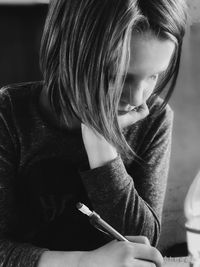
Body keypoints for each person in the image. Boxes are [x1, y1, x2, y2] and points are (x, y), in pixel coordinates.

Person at [0, 0, 187, 266]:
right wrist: (82, 262)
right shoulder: (8, 115)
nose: (136, 97)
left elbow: (142, 243)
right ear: (71, 52)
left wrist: (102, 141)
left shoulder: (154, 119)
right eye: (118, 75)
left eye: (154, 76)